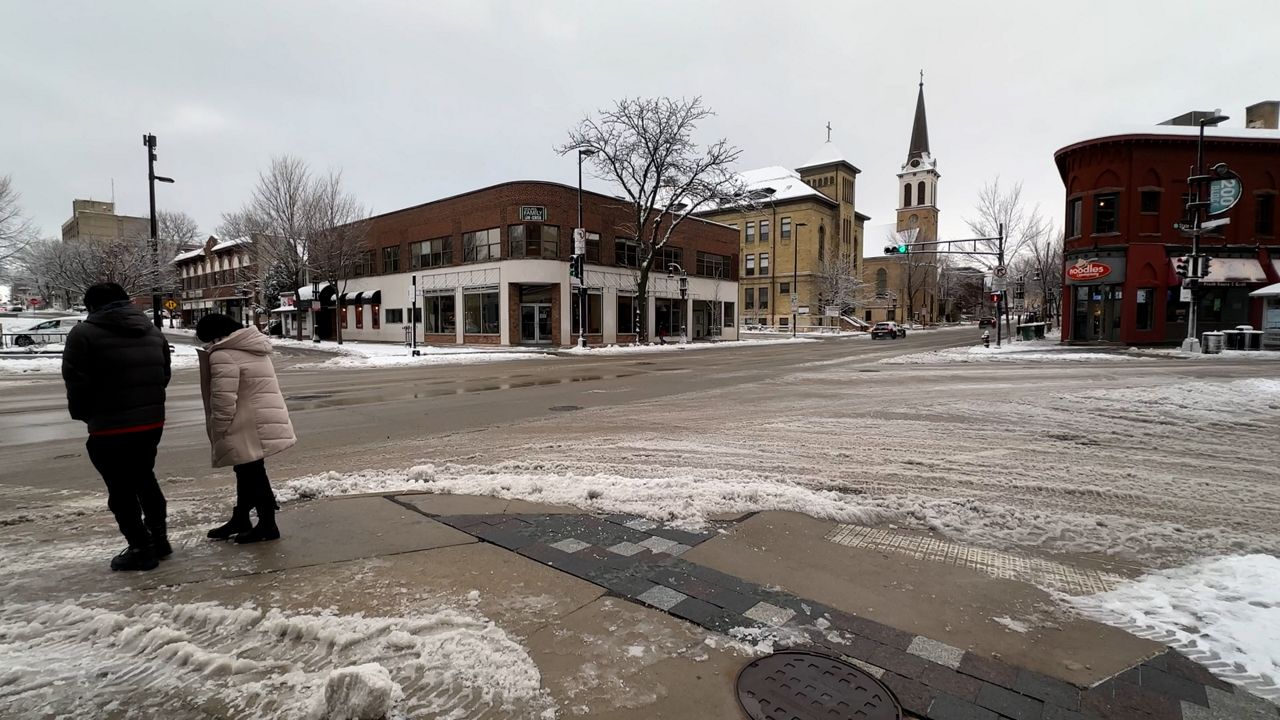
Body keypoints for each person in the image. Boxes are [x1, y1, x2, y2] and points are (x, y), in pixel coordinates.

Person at [62, 283, 172, 571]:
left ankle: (140, 547)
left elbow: (76, 383)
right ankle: (159, 539)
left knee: (120, 489)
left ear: (91, 305)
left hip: (109, 426)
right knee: (145, 478)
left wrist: (86, 416)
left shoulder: (82, 334)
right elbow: (164, 375)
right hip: (151, 422)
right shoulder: (152, 332)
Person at [195, 313, 296, 544]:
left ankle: (267, 524)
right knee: (248, 470)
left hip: (244, 423)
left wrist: (218, 428)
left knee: (252, 472)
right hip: (256, 420)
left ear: (215, 336)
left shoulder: (223, 355)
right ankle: (242, 518)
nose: (207, 346)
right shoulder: (250, 346)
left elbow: (222, 398)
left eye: (207, 341)